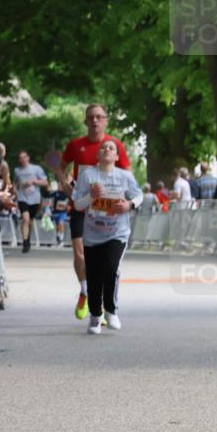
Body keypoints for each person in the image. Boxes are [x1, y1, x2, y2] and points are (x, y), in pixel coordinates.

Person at [56, 104, 131, 320]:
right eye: (91, 117)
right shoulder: (75, 145)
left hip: (106, 210)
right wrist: (65, 185)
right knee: (79, 252)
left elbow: (127, 171)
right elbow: (60, 167)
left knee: (105, 259)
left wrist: (125, 197)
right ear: (85, 121)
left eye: (99, 117)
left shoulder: (115, 145)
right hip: (81, 206)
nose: (95, 121)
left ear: (106, 120)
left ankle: (103, 302)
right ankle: (85, 291)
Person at [72, 140, 142, 334]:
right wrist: (91, 196)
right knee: (94, 275)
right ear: (98, 155)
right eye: (103, 147)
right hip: (93, 234)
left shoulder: (125, 176)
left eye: (111, 148)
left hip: (117, 232)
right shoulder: (88, 175)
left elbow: (139, 196)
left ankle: (111, 310)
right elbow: (77, 204)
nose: (107, 149)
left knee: (111, 269)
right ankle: (95, 316)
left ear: (117, 156)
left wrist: (129, 205)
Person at [14, 150, 49, 253]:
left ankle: (28, 238)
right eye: (21, 158)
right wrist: (15, 190)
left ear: (28, 158)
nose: (23, 159)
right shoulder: (17, 170)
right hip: (22, 198)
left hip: (35, 199)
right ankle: (25, 243)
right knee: (25, 219)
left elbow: (45, 182)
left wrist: (34, 181)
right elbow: (15, 183)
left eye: (25, 157)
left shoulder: (37, 169)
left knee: (30, 221)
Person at [48, 180, 70, 245]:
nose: (60, 186)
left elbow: (71, 200)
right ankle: (58, 237)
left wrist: (68, 206)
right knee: (57, 225)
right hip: (56, 212)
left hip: (63, 212)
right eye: (59, 185)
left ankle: (61, 238)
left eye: (61, 185)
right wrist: (49, 190)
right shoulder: (56, 193)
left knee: (61, 222)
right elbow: (49, 197)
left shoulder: (67, 193)